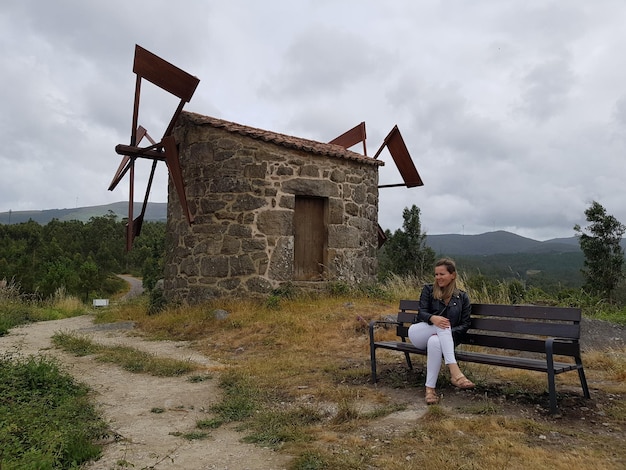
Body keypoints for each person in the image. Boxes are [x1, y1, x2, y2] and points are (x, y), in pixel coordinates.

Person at [408, 258, 474, 404]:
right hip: (418, 333)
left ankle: (430, 390)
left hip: (443, 338)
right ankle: (455, 371)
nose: (438, 278)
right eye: (436, 274)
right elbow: (421, 313)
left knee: (435, 340)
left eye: (442, 274)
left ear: (453, 275)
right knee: (442, 324)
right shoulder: (428, 290)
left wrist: (445, 334)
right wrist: (432, 318)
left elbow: (465, 324)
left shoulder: (462, 297)